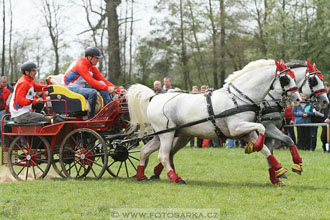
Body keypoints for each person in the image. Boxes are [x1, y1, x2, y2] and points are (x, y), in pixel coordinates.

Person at [64, 47, 120, 118]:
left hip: (81, 87)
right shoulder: (81, 64)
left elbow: (103, 80)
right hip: (70, 87)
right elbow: (91, 81)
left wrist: (118, 90)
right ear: (89, 57)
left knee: (102, 83)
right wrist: (107, 88)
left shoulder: (92, 66)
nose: (98, 60)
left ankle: (109, 108)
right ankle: (91, 117)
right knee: (92, 92)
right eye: (96, 58)